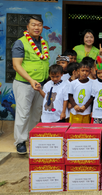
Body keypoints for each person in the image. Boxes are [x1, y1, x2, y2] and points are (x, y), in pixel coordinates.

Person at [12, 15, 50, 154]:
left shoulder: (43, 43)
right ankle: (20, 141)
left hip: (41, 84)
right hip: (25, 84)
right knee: (23, 113)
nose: (36, 27)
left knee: (36, 113)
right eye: (33, 24)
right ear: (27, 27)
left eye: (39, 25)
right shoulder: (20, 43)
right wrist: (30, 80)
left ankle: (32, 138)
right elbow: (16, 65)